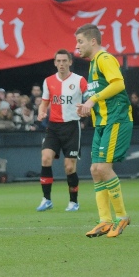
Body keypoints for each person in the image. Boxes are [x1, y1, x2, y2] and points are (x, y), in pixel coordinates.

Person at [75, 23, 132, 238]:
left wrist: (91, 100)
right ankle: (104, 221)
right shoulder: (92, 65)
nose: (77, 46)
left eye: (80, 41)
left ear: (93, 41)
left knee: (105, 169)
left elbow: (118, 84)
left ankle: (122, 217)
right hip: (102, 122)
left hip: (116, 120)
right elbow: (103, 93)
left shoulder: (105, 58)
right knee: (95, 170)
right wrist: (88, 108)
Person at [35, 49, 88, 213]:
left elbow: (91, 99)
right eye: (59, 61)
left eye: (65, 61)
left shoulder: (79, 80)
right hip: (54, 127)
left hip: (72, 126)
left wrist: (87, 112)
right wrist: (41, 111)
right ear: (55, 63)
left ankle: (73, 202)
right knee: (45, 158)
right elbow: (44, 102)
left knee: (69, 167)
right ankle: (46, 199)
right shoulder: (48, 81)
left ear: (70, 62)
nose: (62, 64)